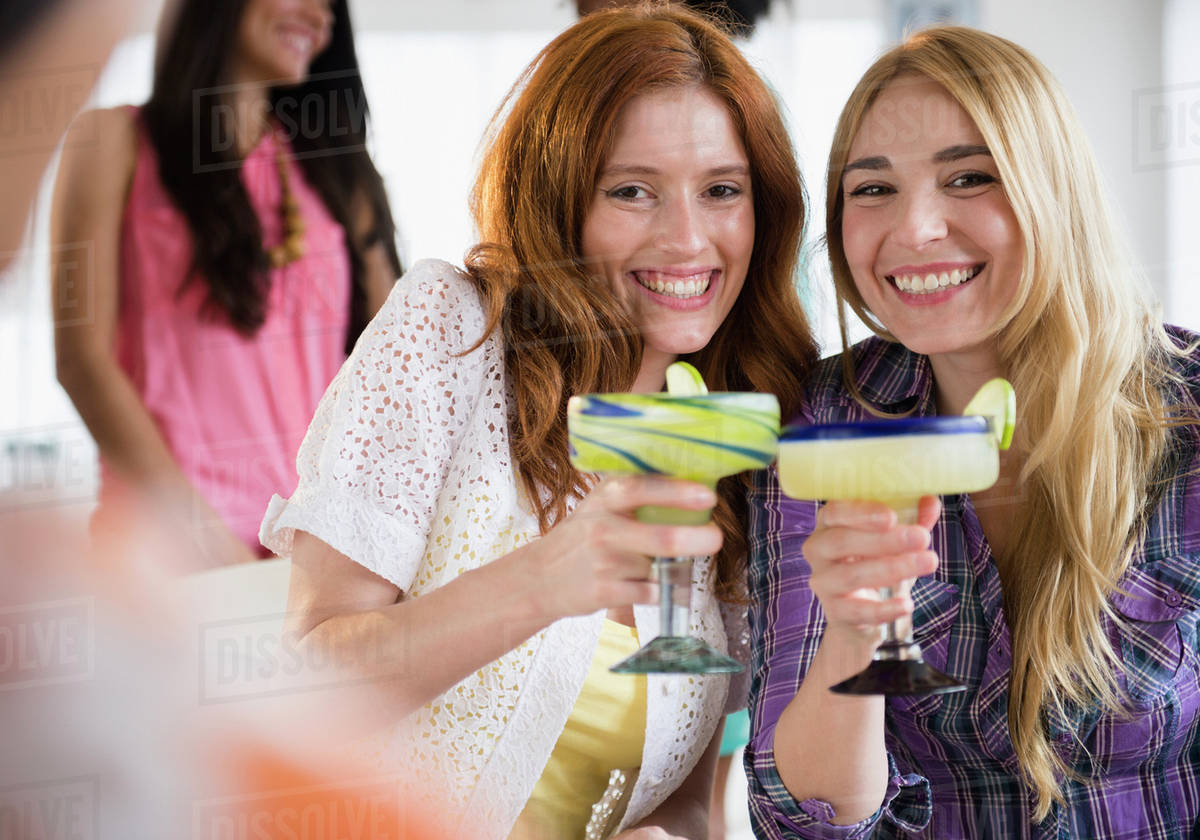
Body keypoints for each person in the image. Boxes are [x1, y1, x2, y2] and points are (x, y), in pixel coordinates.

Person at [259, 5, 816, 839]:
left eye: (722, 191)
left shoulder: (733, 435)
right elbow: (304, 690)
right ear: (560, 198)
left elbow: (690, 800)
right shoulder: (451, 332)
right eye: (632, 190)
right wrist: (544, 580)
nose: (687, 237)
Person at [745, 25, 1200, 840]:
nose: (915, 228)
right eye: (873, 189)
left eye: (969, 177)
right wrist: (855, 629)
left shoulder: (1189, 409)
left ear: (1052, 190)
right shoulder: (826, 424)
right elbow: (804, 820)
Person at [51, 0, 402, 568]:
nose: (320, 17)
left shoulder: (338, 175)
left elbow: (393, 374)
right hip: (158, 557)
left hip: (305, 557)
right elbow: (81, 361)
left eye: (331, 5)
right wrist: (203, 540)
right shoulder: (113, 141)